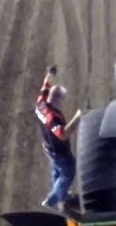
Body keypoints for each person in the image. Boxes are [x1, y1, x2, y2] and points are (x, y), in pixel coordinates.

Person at [34, 65, 83, 210]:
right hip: (58, 150)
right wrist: (78, 117)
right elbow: (63, 134)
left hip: (48, 147)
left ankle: (61, 194)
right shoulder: (52, 117)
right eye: (62, 99)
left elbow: (45, 85)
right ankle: (52, 200)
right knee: (68, 173)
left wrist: (50, 74)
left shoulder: (40, 103)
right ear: (58, 99)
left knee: (56, 170)